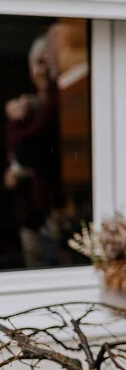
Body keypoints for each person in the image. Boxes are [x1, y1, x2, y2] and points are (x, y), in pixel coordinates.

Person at [4, 34, 63, 269]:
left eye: (49, 62)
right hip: (32, 215)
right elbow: (18, 154)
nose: (44, 69)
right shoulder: (33, 106)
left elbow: (26, 150)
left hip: (54, 213)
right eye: (39, 62)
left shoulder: (56, 105)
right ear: (30, 70)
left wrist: (14, 121)